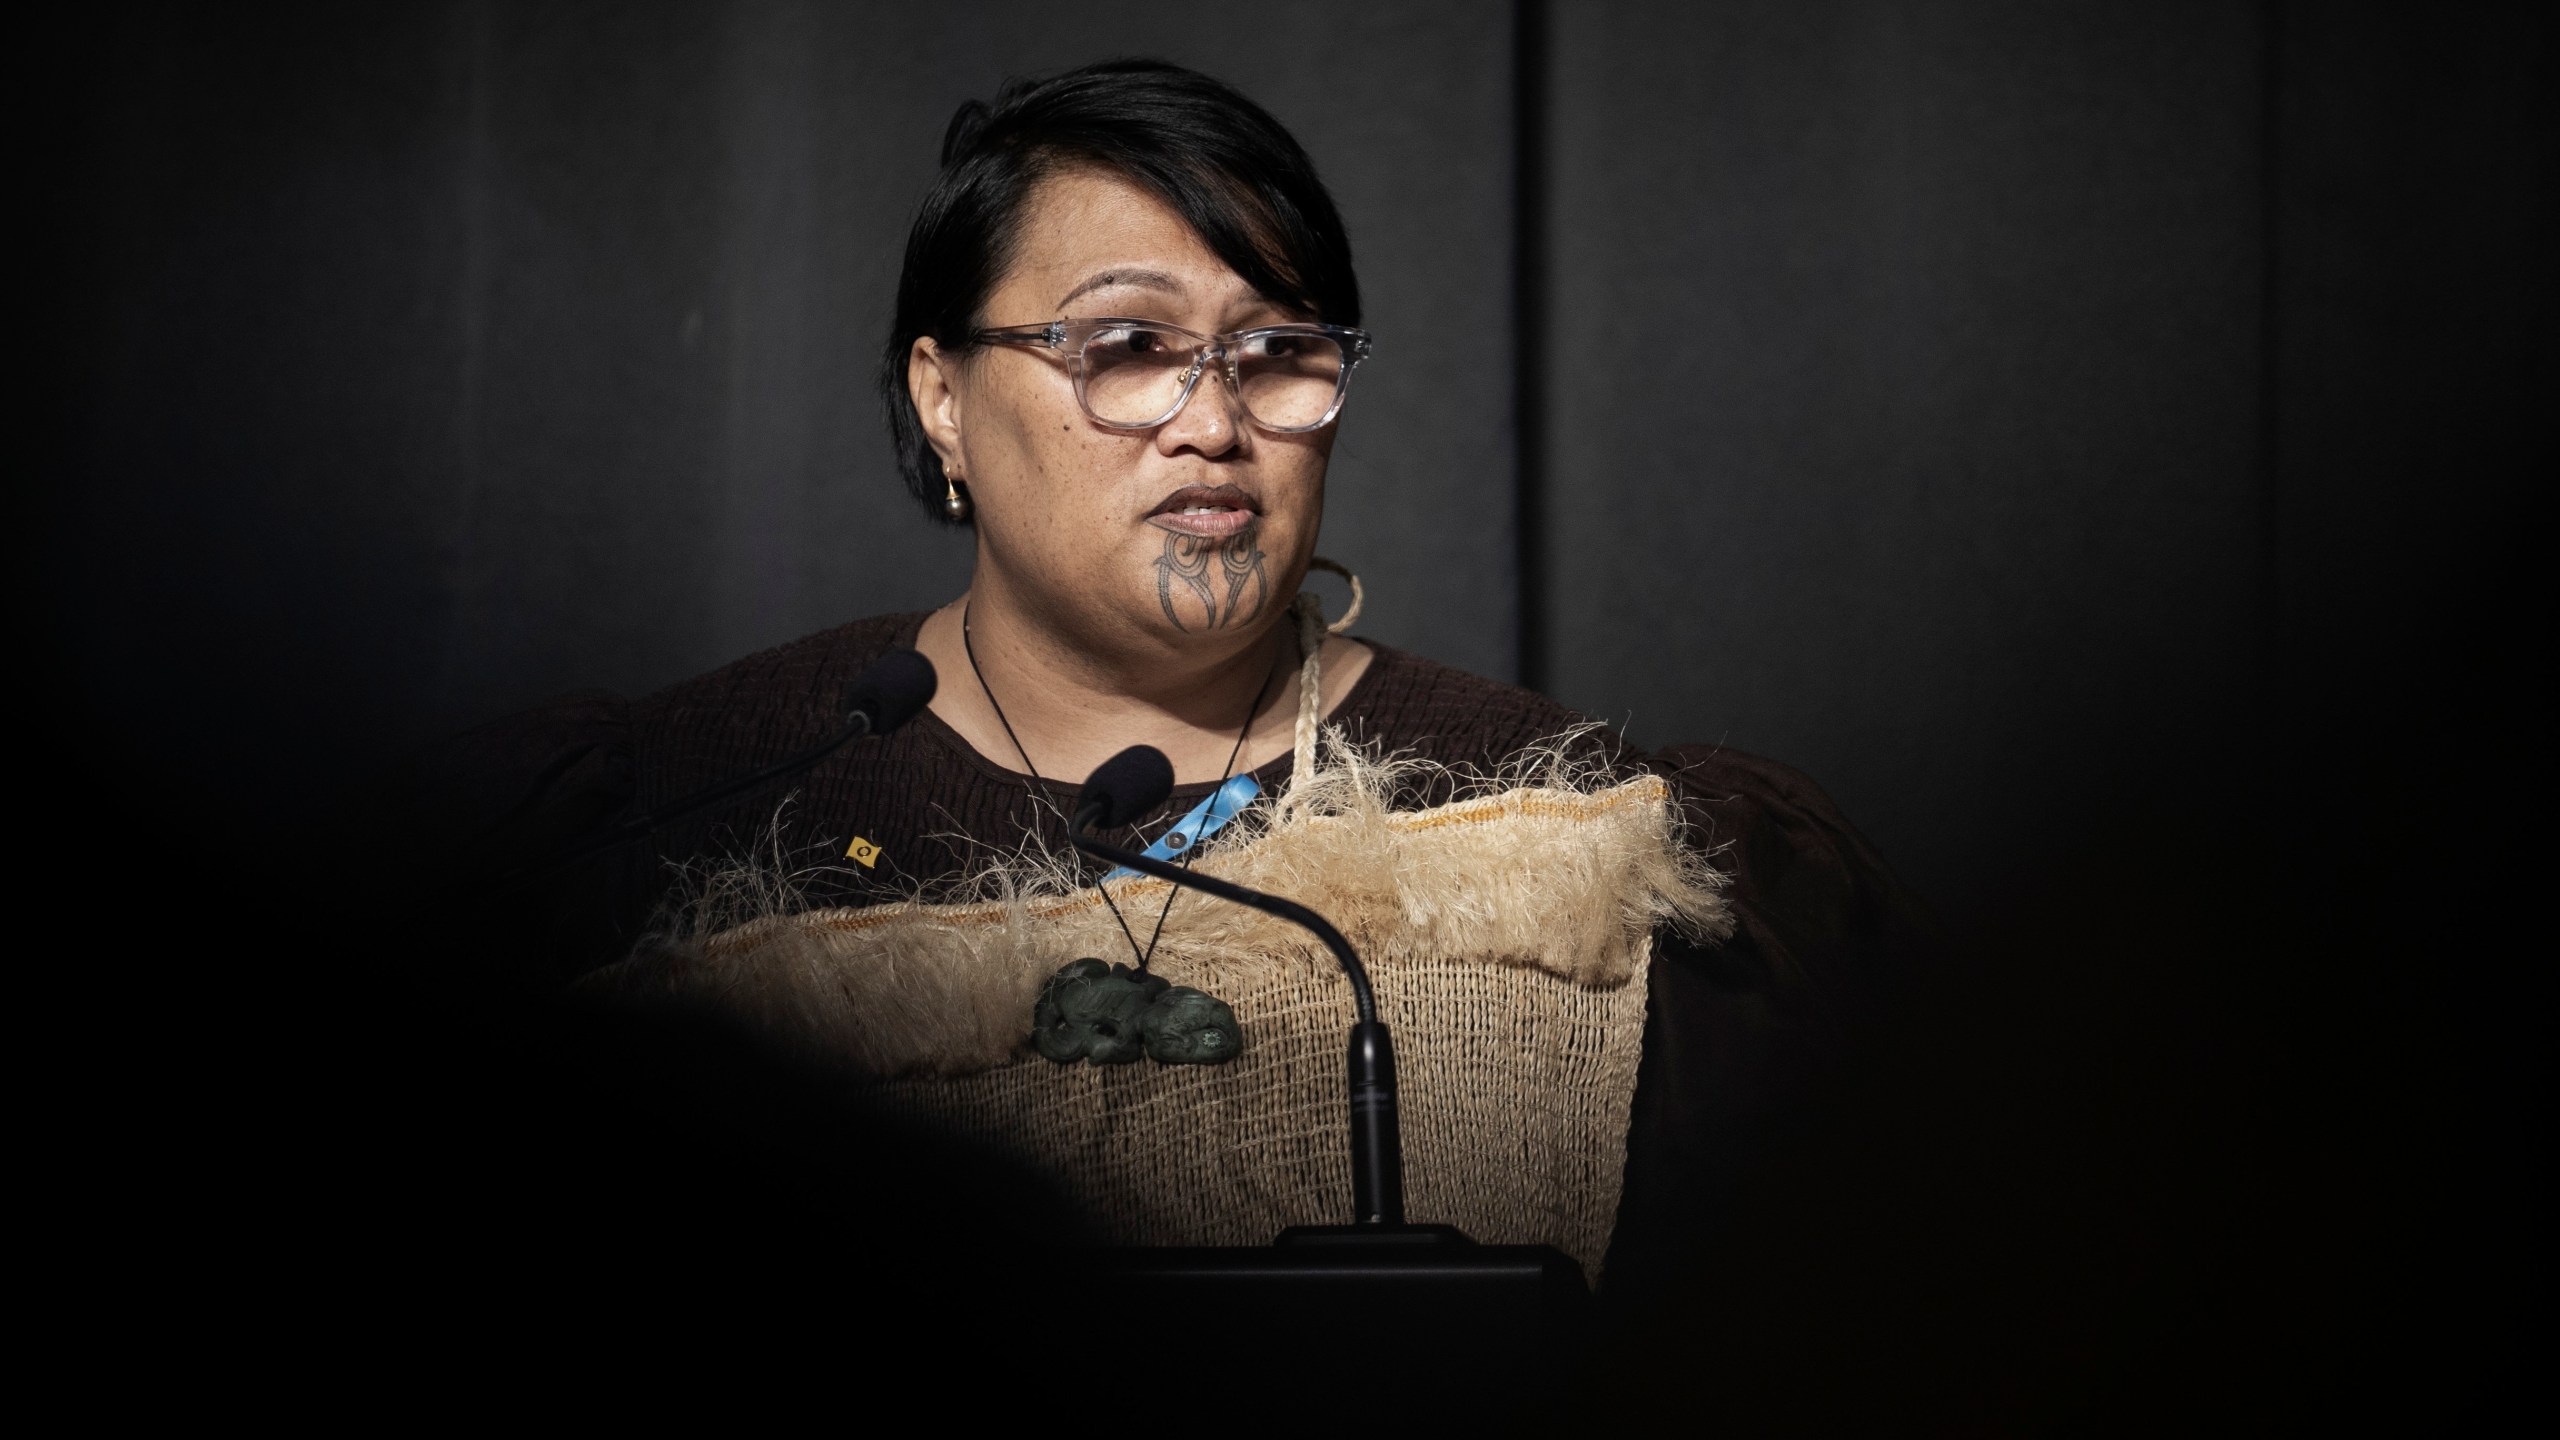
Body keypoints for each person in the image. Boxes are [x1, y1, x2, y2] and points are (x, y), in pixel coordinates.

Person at [402, 57, 1936, 1331]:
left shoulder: (1566, 827)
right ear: (944, 398)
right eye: (1128, 349)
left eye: (1279, 354)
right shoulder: (685, 808)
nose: (1214, 423)